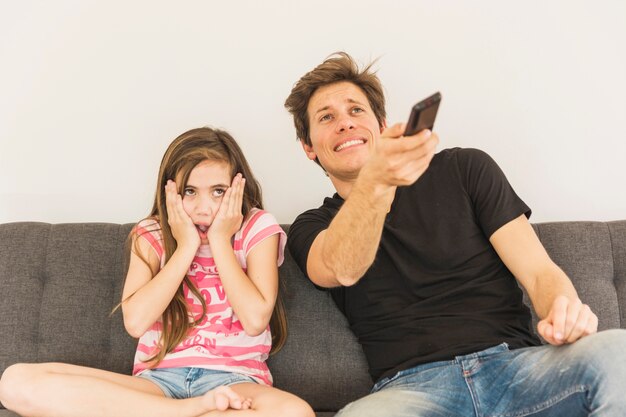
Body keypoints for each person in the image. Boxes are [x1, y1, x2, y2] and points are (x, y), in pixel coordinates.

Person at [283, 52, 626, 416]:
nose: (345, 124)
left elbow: (540, 273)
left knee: (616, 353)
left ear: (382, 126)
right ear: (309, 148)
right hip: (410, 391)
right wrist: (377, 181)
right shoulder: (312, 226)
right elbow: (341, 269)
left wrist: (563, 309)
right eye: (326, 117)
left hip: (514, 368)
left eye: (355, 110)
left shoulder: (465, 169)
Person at [0, 127, 314, 417]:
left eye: (218, 191)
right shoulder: (150, 234)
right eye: (190, 192)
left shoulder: (257, 227)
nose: (205, 208)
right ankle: (187, 411)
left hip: (235, 382)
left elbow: (255, 318)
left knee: (295, 413)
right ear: (170, 193)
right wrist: (185, 245)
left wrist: (219, 239)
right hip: (155, 386)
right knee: (15, 381)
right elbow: (135, 322)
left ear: (237, 188)